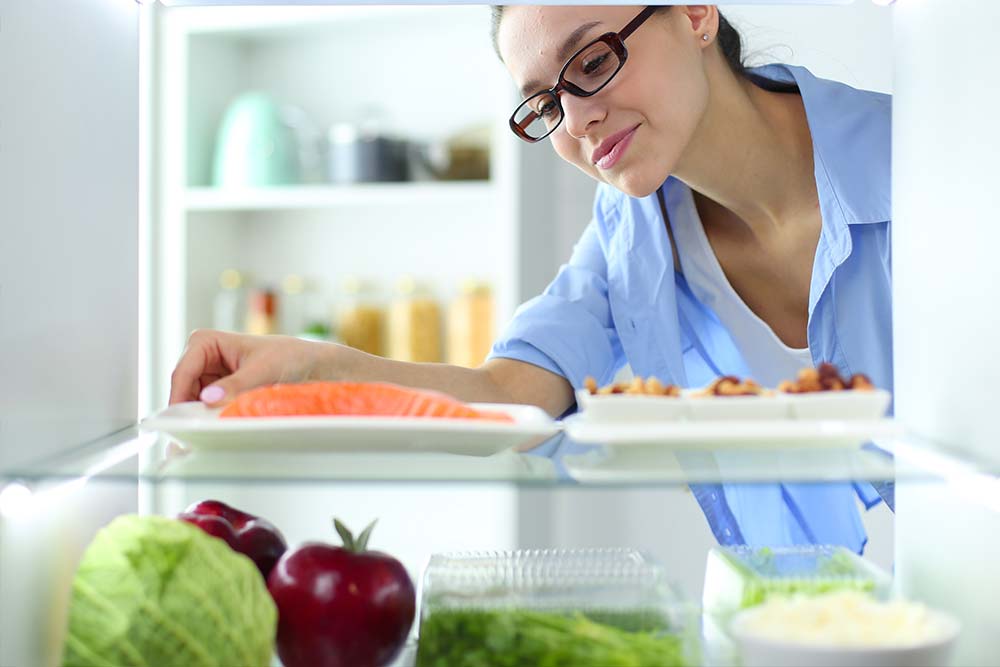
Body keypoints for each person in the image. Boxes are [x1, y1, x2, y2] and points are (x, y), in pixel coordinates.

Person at [169, 5, 892, 552]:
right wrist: (315, 368)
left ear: (697, 13)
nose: (578, 119)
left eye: (593, 62)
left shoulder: (929, 161)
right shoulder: (629, 240)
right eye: (547, 101)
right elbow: (507, 399)